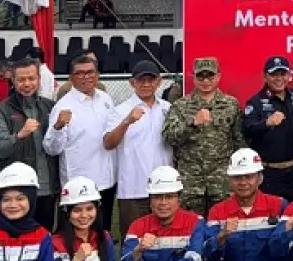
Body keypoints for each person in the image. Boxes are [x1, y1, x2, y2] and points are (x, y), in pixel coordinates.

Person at [45, 55, 118, 233]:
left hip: (106, 180)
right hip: (79, 182)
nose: (86, 77)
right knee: (77, 234)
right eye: (80, 73)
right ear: (71, 78)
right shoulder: (63, 106)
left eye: (90, 72)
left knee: (103, 232)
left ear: (97, 74)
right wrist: (58, 126)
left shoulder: (105, 99)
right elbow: (51, 148)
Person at [163, 57, 245, 215]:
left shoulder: (231, 104)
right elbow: (169, 137)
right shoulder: (180, 105)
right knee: (191, 229)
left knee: (222, 226)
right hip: (191, 182)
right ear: (193, 77)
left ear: (218, 77)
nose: (205, 81)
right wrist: (192, 123)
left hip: (221, 181)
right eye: (201, 76)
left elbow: (239, 142)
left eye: (210, 76)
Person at [104, 61, 173, 239]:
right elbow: (108, 143)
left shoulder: (168, 109)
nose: (146, 84)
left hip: (164, 187)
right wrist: (126, 121)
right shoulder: (120, 111)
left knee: (166, 240)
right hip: (133, 189)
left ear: (159, 82)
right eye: (141, 80)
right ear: (131, 82)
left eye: (151, 80)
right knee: (134, 241)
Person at [0, 59, 59, 230]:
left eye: (31, 78)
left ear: (39, 79)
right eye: (21, 80)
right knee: (14, 236)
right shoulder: (0, 110)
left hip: (47, 187)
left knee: (44, 234)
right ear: (12, 80)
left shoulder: (50, 107)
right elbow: (0, 149)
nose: (27, 84)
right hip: (17, 190)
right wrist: (20, 135)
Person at [240, 56, 293, 201]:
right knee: (272, 217)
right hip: (269, 174)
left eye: (283, 74)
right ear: (265, 77)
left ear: (289, 76)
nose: (279, 79)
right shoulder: (255, 102)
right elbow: (246, 129)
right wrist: (267, 123)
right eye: (274, 74)